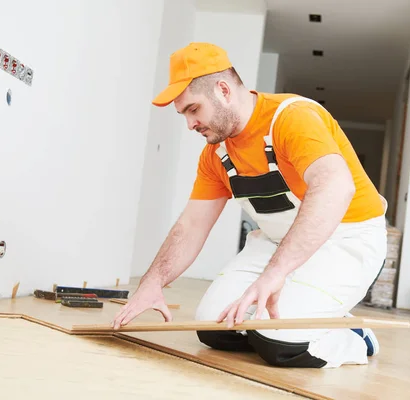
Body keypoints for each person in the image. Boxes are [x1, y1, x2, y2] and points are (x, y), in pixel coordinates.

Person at [112, 42, 388, 368]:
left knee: (280, 343)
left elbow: (335, 187)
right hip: (276, 244)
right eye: (183, 114)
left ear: (224, 90)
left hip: (344, 242)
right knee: (215, 327)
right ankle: (299, 314)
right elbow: (192, 225)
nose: (190, 125)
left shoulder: (292, 118)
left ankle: (355, 335)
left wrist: (275, 274)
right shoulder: (216, 154)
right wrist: (152, 283)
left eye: (193, 109)